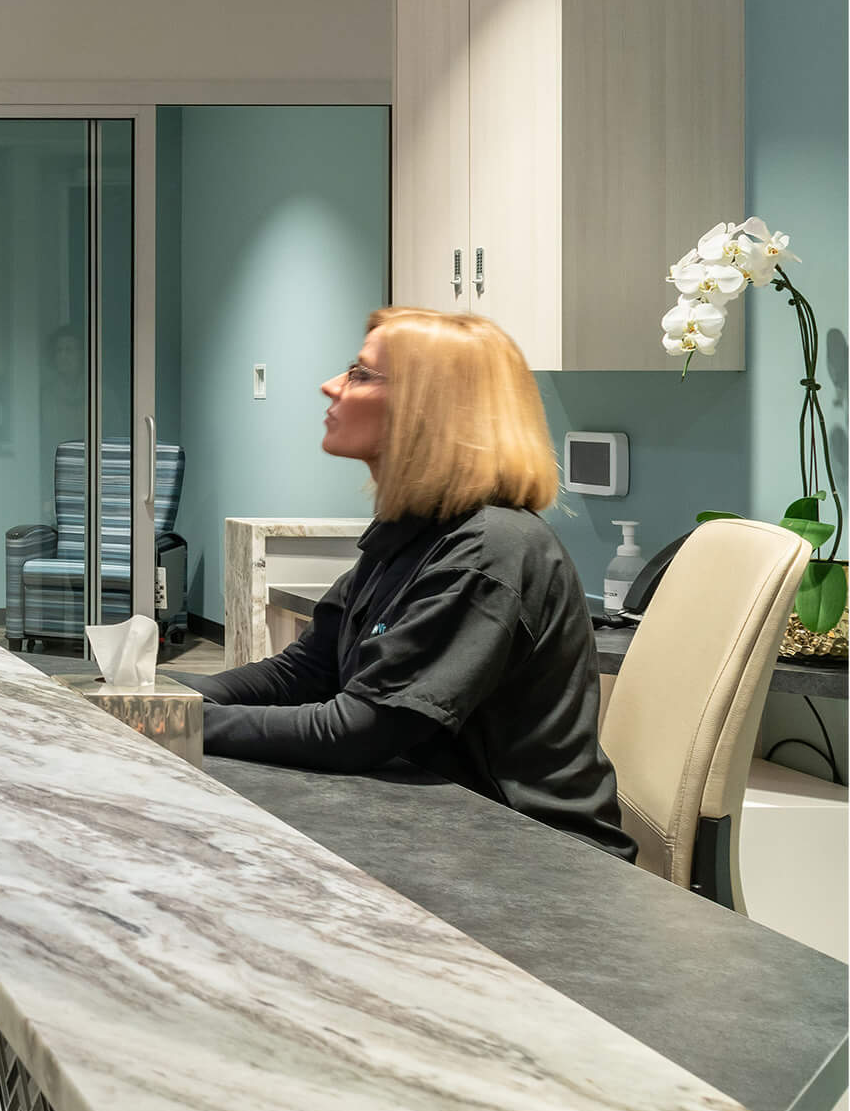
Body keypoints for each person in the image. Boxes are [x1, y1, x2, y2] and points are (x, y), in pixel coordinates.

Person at [190, 306, 635, 859]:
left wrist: (178, 720)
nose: (330, 386)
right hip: (436, 826)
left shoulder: (488, 550)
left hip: (530, 855)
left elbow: (356, 730)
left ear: (428, 410)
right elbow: (304, 672)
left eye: (359, 374)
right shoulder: (414, 530)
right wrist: (160, 695)